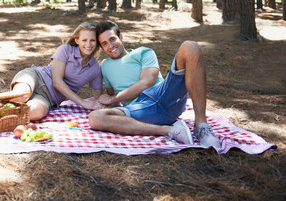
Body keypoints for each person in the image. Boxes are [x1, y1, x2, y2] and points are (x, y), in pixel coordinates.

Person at [88, 21, 221, 148]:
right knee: (95, 118)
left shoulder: (143, 52)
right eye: (104, 43)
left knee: (190, 46)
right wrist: (107, 105)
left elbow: (146, 82)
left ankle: (202, 126)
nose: (110, 46)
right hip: (140, 110)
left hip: (164, 95)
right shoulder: (105, 66)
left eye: (112, 39)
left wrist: (113, 98)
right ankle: (169, 130)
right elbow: (114, 100)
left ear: (121, 37)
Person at [0, 22, 104, 121]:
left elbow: (98, 98)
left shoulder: (95, 68)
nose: (88, 44)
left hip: (47, 98)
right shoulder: (65, 50)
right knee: (21, 95)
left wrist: (111, 101)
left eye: (92, 41)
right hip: (36, 78)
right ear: (77, 40)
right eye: (84, 40)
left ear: (97, 43)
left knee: (35, 112)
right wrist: (82, 102)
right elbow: (57, 81)